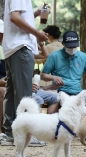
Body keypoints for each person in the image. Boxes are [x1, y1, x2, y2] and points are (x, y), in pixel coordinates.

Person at [1, 1, 49, 146]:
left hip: (11, 48)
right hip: (21, 46)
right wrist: (37, 34)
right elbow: (15, 17)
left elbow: (15, 16)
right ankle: (26, 135)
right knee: (24, 93)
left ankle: (10, 133)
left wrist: (34, 14)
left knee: (11, 92)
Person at [40, 31, 86, 107]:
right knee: (57, 100)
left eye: (75, 46)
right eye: (70, 47)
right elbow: (43, 75)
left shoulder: (83, 56)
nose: (73, 49)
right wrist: (53, 77)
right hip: (61, 91)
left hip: (77, 92)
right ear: (63, 44)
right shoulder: (54, 56)